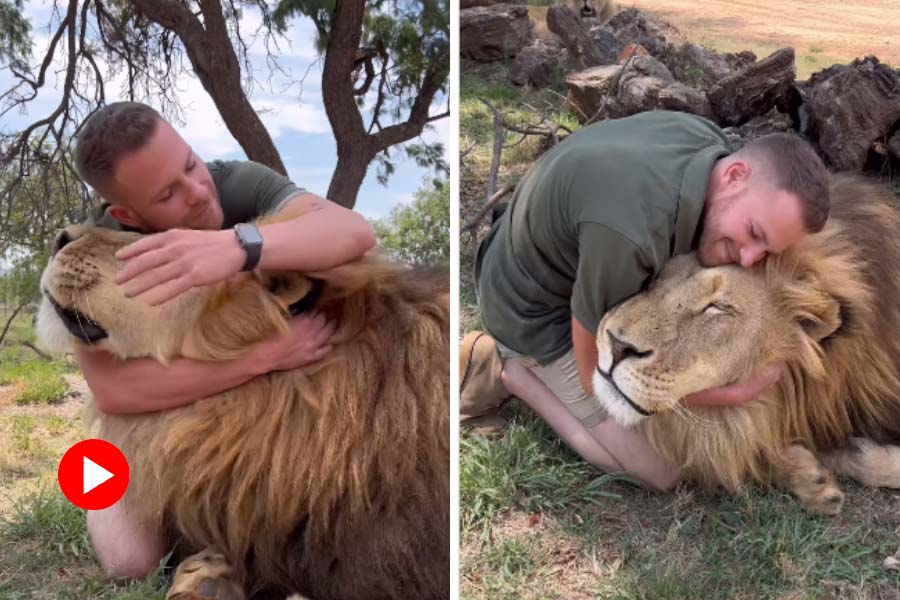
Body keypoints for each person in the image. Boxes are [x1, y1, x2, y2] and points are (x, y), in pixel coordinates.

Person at [70, 101, 376, 579]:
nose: (196, 193)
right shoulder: (98, 248)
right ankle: (95, 463)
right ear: (127, 214)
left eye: (190, 164)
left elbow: (354, 233)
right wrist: (265, 357)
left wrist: (236, 248)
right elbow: (114, 393)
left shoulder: (236, 182)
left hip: (251, 390)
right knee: (127, 563)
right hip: (155, 402)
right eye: (168, 193)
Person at [462, 110, 830, 491]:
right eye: (753, 232)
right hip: (531, 311)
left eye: (766, 251)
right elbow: (597, 378)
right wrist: (728, 394)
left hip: (554, 247)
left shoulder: (707, 143)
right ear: (735, 176)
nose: (749, 259)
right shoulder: (631, 233)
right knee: (658, 472)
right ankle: (509, 369)